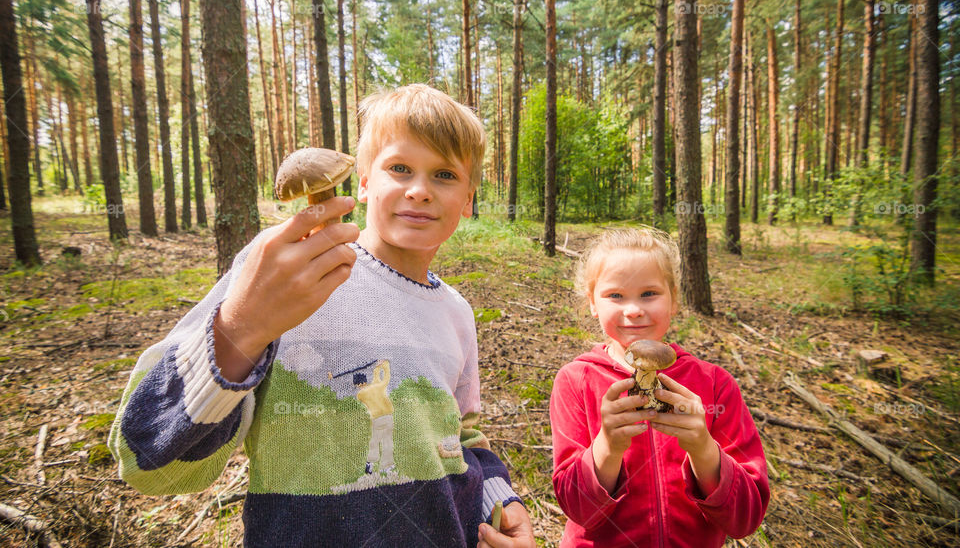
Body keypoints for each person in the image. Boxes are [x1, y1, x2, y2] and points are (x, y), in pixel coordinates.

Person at [108, 84, 535, 548]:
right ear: (365, 181)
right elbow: (148, 463)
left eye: (445, 175)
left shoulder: (456, 312)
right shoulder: (286, 275)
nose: (419, 190)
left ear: (469, 198)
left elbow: (463, 433)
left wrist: (502, 500)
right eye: (399, 168)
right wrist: (242, 328)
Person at [549, 228, 769, 547]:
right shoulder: (575, 381)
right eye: (615, 295)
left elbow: (745, 519)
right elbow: (576, 508)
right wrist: (607, 447)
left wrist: (703, 449)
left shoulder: (715, 385)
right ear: (593, 303)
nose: (634, 309)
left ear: (674, 299)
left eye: (649, 293)